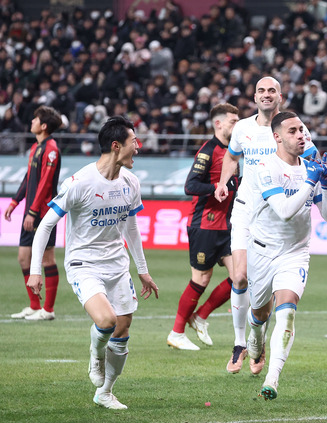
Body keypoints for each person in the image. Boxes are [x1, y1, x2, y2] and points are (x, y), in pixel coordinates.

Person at [26, 116, 159, 410]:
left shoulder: (130, 182)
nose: (137, 147)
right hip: (84, 264)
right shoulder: (80, 183)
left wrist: (143, 270)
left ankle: (105, 392)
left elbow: (131, 228)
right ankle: (95, 352)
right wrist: (36, 270)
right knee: (107, 322)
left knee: (123, 328)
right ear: (116, 146)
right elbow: (46, 226)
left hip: (117, 266)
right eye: (133, 142)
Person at [214, 76, 317, 375]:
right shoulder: (243, 128)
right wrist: (223, 182)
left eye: (272, 90)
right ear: (255, 96)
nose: (266, 94)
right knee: (240, 276)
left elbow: (312, 157)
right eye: (261, 90)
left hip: (277, 219)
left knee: (266, 299)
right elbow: (232, 157)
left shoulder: (294, 128)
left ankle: (258, 338)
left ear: (280, 97)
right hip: (247, 211)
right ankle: (239, 344)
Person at [246, 111, 327, 400]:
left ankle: (272, 379)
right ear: (277, 137)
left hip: (295, 252)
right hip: (262, 250)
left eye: (302, 130)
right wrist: (310, 182)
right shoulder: (265, 167)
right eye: (293, 131)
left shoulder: (311, 167)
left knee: (286, 313)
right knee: (260, 312)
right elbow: (284, 212)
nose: (301, 135)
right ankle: (255, 335)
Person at [167, 103, 240, 351]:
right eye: (233, 121)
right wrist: (215, 189)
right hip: (205, 225)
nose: (237, 124)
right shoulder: (208, 151)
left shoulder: (234, 151)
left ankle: (200, 316)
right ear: (218, 124)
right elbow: (190, 186)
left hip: (228, 226)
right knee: (201, 278)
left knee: (241, 277)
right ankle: (176, 333)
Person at [4, 105, 63, 321]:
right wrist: (15, 201)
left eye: (35, 119)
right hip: (31, 210)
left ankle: (48, 310)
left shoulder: (51, 149)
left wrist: (32, 211)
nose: (31, 122)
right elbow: (29, 178)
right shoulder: (35, 148)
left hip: (44, 212)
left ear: (44, 125)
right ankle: (34, 306)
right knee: (23, 258)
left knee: (47, 258)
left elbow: (46, 184)